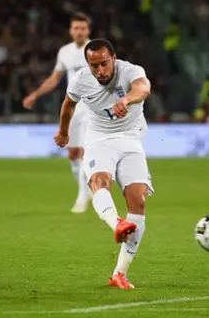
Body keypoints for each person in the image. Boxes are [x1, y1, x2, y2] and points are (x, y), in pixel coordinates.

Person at [54, 38, 153, 289]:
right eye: (94, 66)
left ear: (114, 58)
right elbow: (68, 105)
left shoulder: (131, 71)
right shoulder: (80, 79)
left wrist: (126, 100)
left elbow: (144, 89)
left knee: (138, 199)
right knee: (100, 181)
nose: (100, 71)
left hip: (130, 139)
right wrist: (64, 132)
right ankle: (116, 223)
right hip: (99, 139)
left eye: (104, 64)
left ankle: (119, 273)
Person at [23, 12, 92, 213]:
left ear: (88, 30)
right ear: (71, 31)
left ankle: (82, 197)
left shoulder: (96, 49)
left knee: (85, 152)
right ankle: (85, 190)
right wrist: (35, 95)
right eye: (76, 28)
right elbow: (55, 79)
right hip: (72, 106)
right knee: (72, 154)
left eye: (83, 28)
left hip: (92, 106)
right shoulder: (65, 52)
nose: (79, 32)